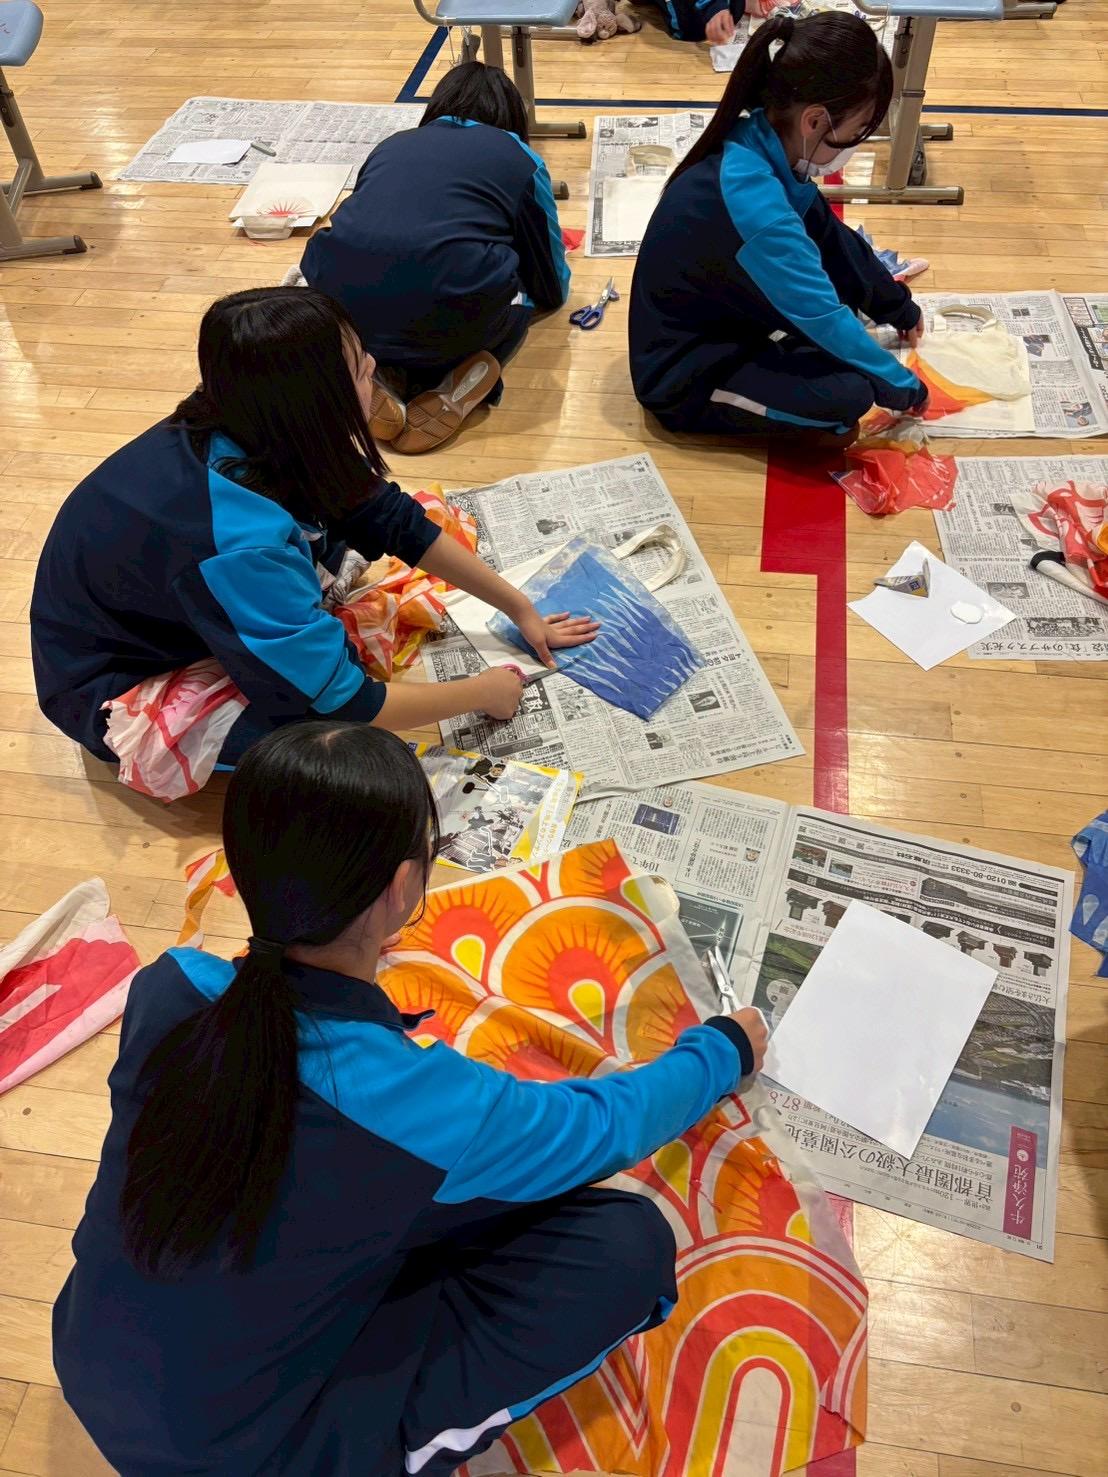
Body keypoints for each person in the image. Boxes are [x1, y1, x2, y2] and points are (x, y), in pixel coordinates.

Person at [52, 722, 769, 1476]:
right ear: (402, 888)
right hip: (243, 1457)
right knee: (627, 1246)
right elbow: (606, 1127)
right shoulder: (422, 1109)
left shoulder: (166, 986)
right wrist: (723, 1049)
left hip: (95, 1355)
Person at [30, 288, 598, 781]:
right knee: (321, 744)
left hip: (175, 609)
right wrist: (482, 693)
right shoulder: (235, 541)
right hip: (114, 684)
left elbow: (393, 519)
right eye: (360, 370)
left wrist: (519, 606)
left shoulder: (252, 421)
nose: (374, 368)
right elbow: (344, 703)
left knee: (352, 543)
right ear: (314, 402)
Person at [629, 12, 928, 440]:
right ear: (815, 121)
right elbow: (822, 315)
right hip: (686, 374)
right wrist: (906, 388)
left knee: (847, 340)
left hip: (736, 322)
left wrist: (896, 305)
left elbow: (834, 241)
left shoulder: (764, 141)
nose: (857, 144)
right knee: (849, 399)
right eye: (859, 130)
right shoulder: (755, 204)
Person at [300, 63, 571, 454]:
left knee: (376, 283)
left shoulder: (392, 143)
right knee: (517, 295)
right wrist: (551, 289)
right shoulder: (520, 156)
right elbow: (550, 273)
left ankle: (366, 371)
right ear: (512, 114)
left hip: (346, 311)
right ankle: (456, 381)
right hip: (453, 321)